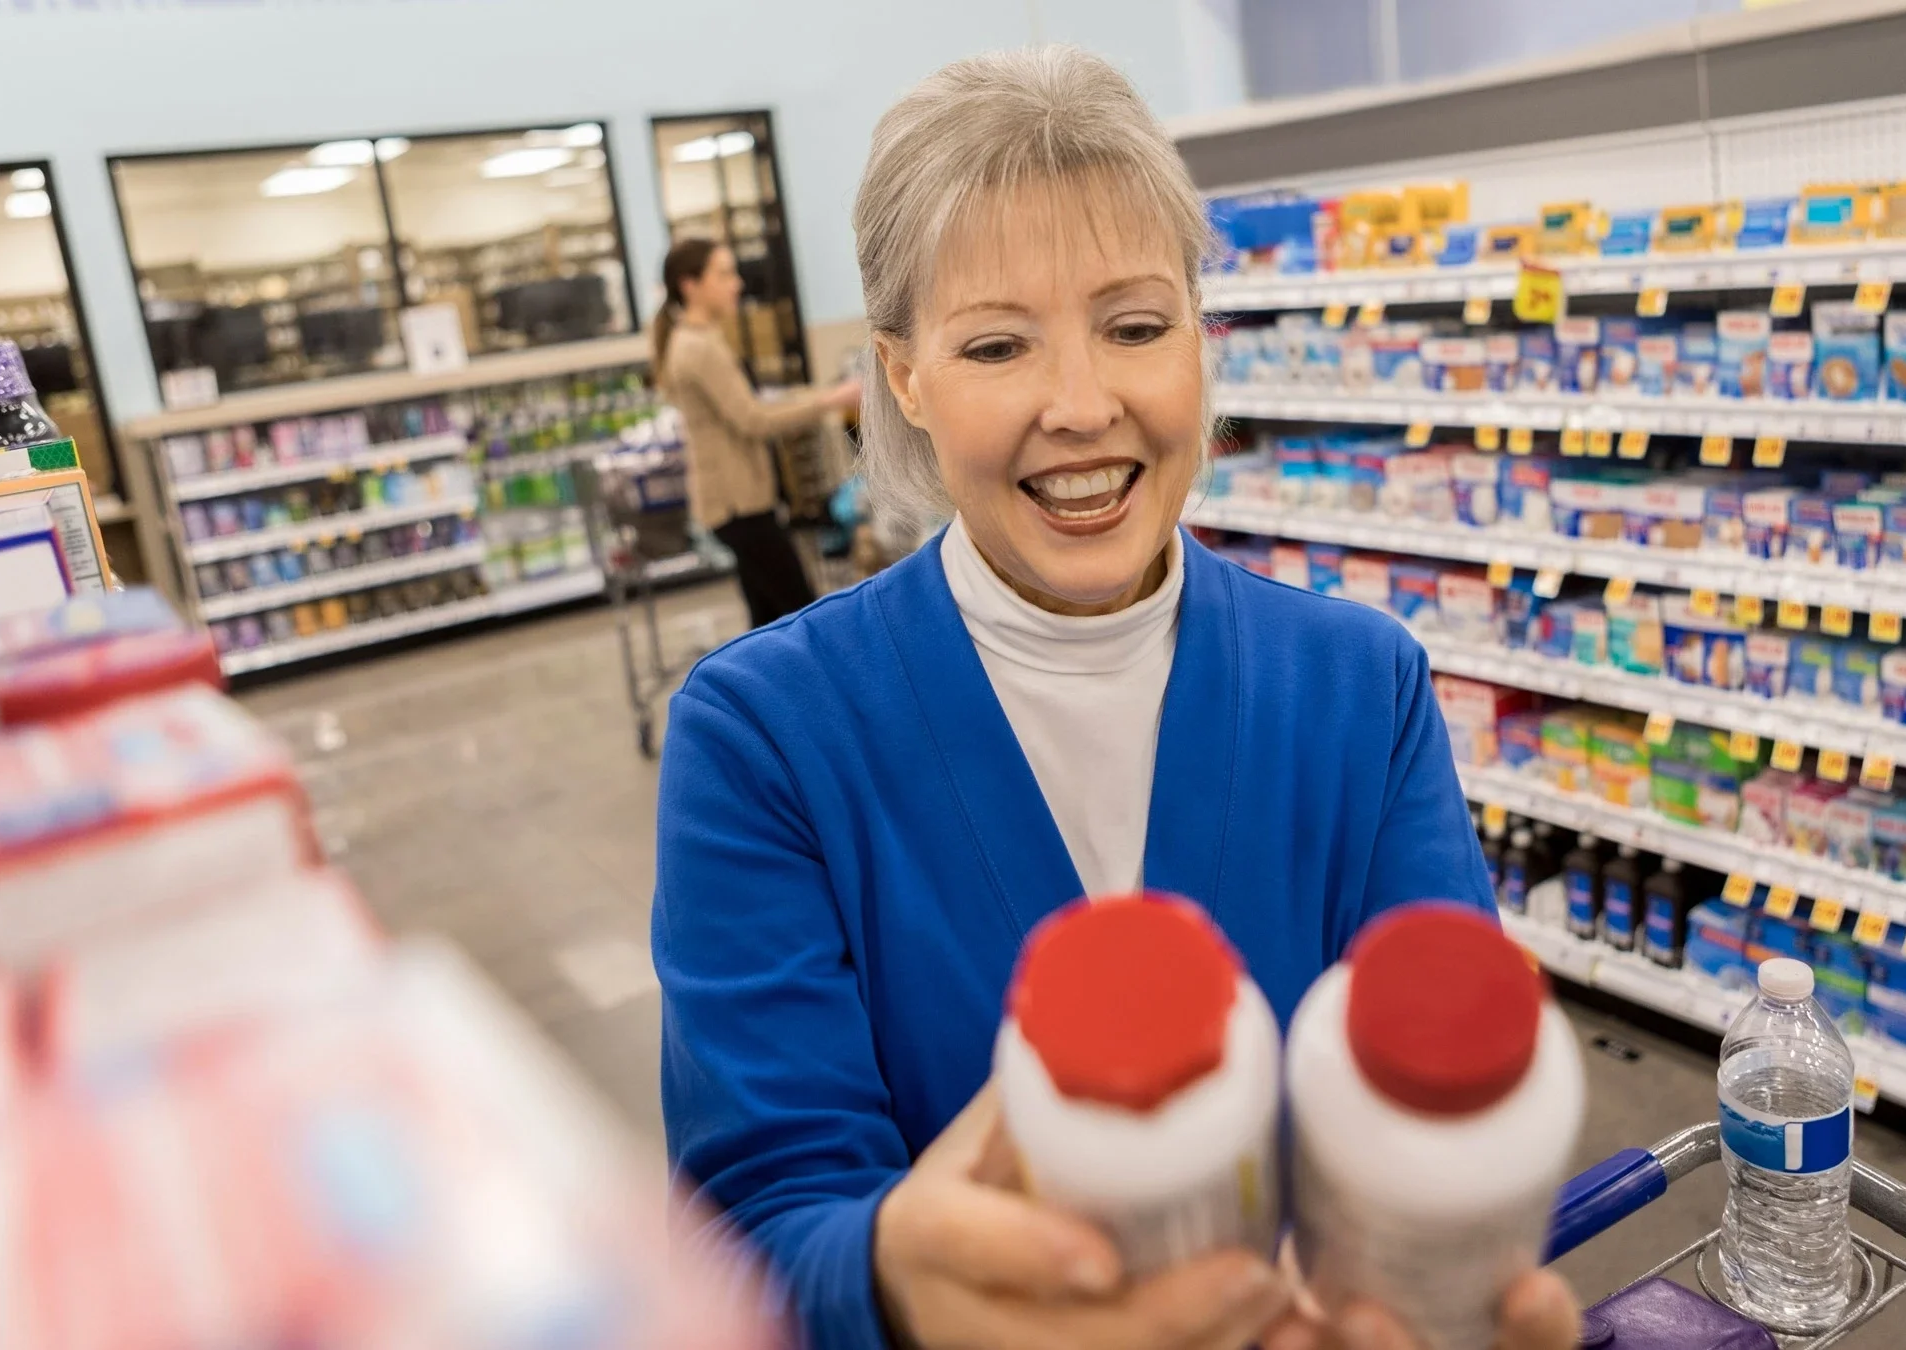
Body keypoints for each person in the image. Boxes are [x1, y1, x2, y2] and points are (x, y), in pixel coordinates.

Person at [652, 46, 1581, 1350]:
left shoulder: (1361, 691)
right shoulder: (763, 738)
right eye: (995, 344)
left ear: (1201, 336)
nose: (1081, 406)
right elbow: (756, 1218)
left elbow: (1438, 1113)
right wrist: (893, 1272)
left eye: (1135, 325)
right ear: (904, 376)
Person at [651, 236, 861, 627]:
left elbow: (754, 401)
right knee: (801, 617)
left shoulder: (701, 340)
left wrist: (821, 393)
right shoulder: (697, 348)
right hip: (738, 506)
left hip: (741, 503)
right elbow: (754, 419)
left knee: (767, 620)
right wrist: (831, 400)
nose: (738, 283)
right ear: (690, 285)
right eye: (725, 274)